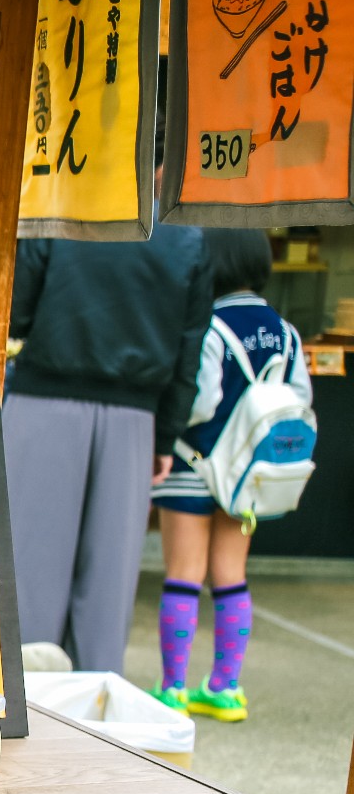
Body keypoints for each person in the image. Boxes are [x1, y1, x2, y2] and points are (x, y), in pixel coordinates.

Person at [4, 223, 213, 675]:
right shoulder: (188, 237)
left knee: (28, 576)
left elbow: (15, 310)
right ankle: (93, 717)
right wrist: (164, 437)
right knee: (108, 588)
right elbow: (188, 351)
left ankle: (16, 704)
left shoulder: (60, 212)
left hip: (44, 399)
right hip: (134, 417)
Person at [150, 229, 309, 721]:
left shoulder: (211, 327)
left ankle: (173, 689)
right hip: (249, 478)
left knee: (183, 575)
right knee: (230, 576)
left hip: (193, 467)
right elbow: (299, 402)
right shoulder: (286, 331)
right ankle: (224, 687)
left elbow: (200, 402)